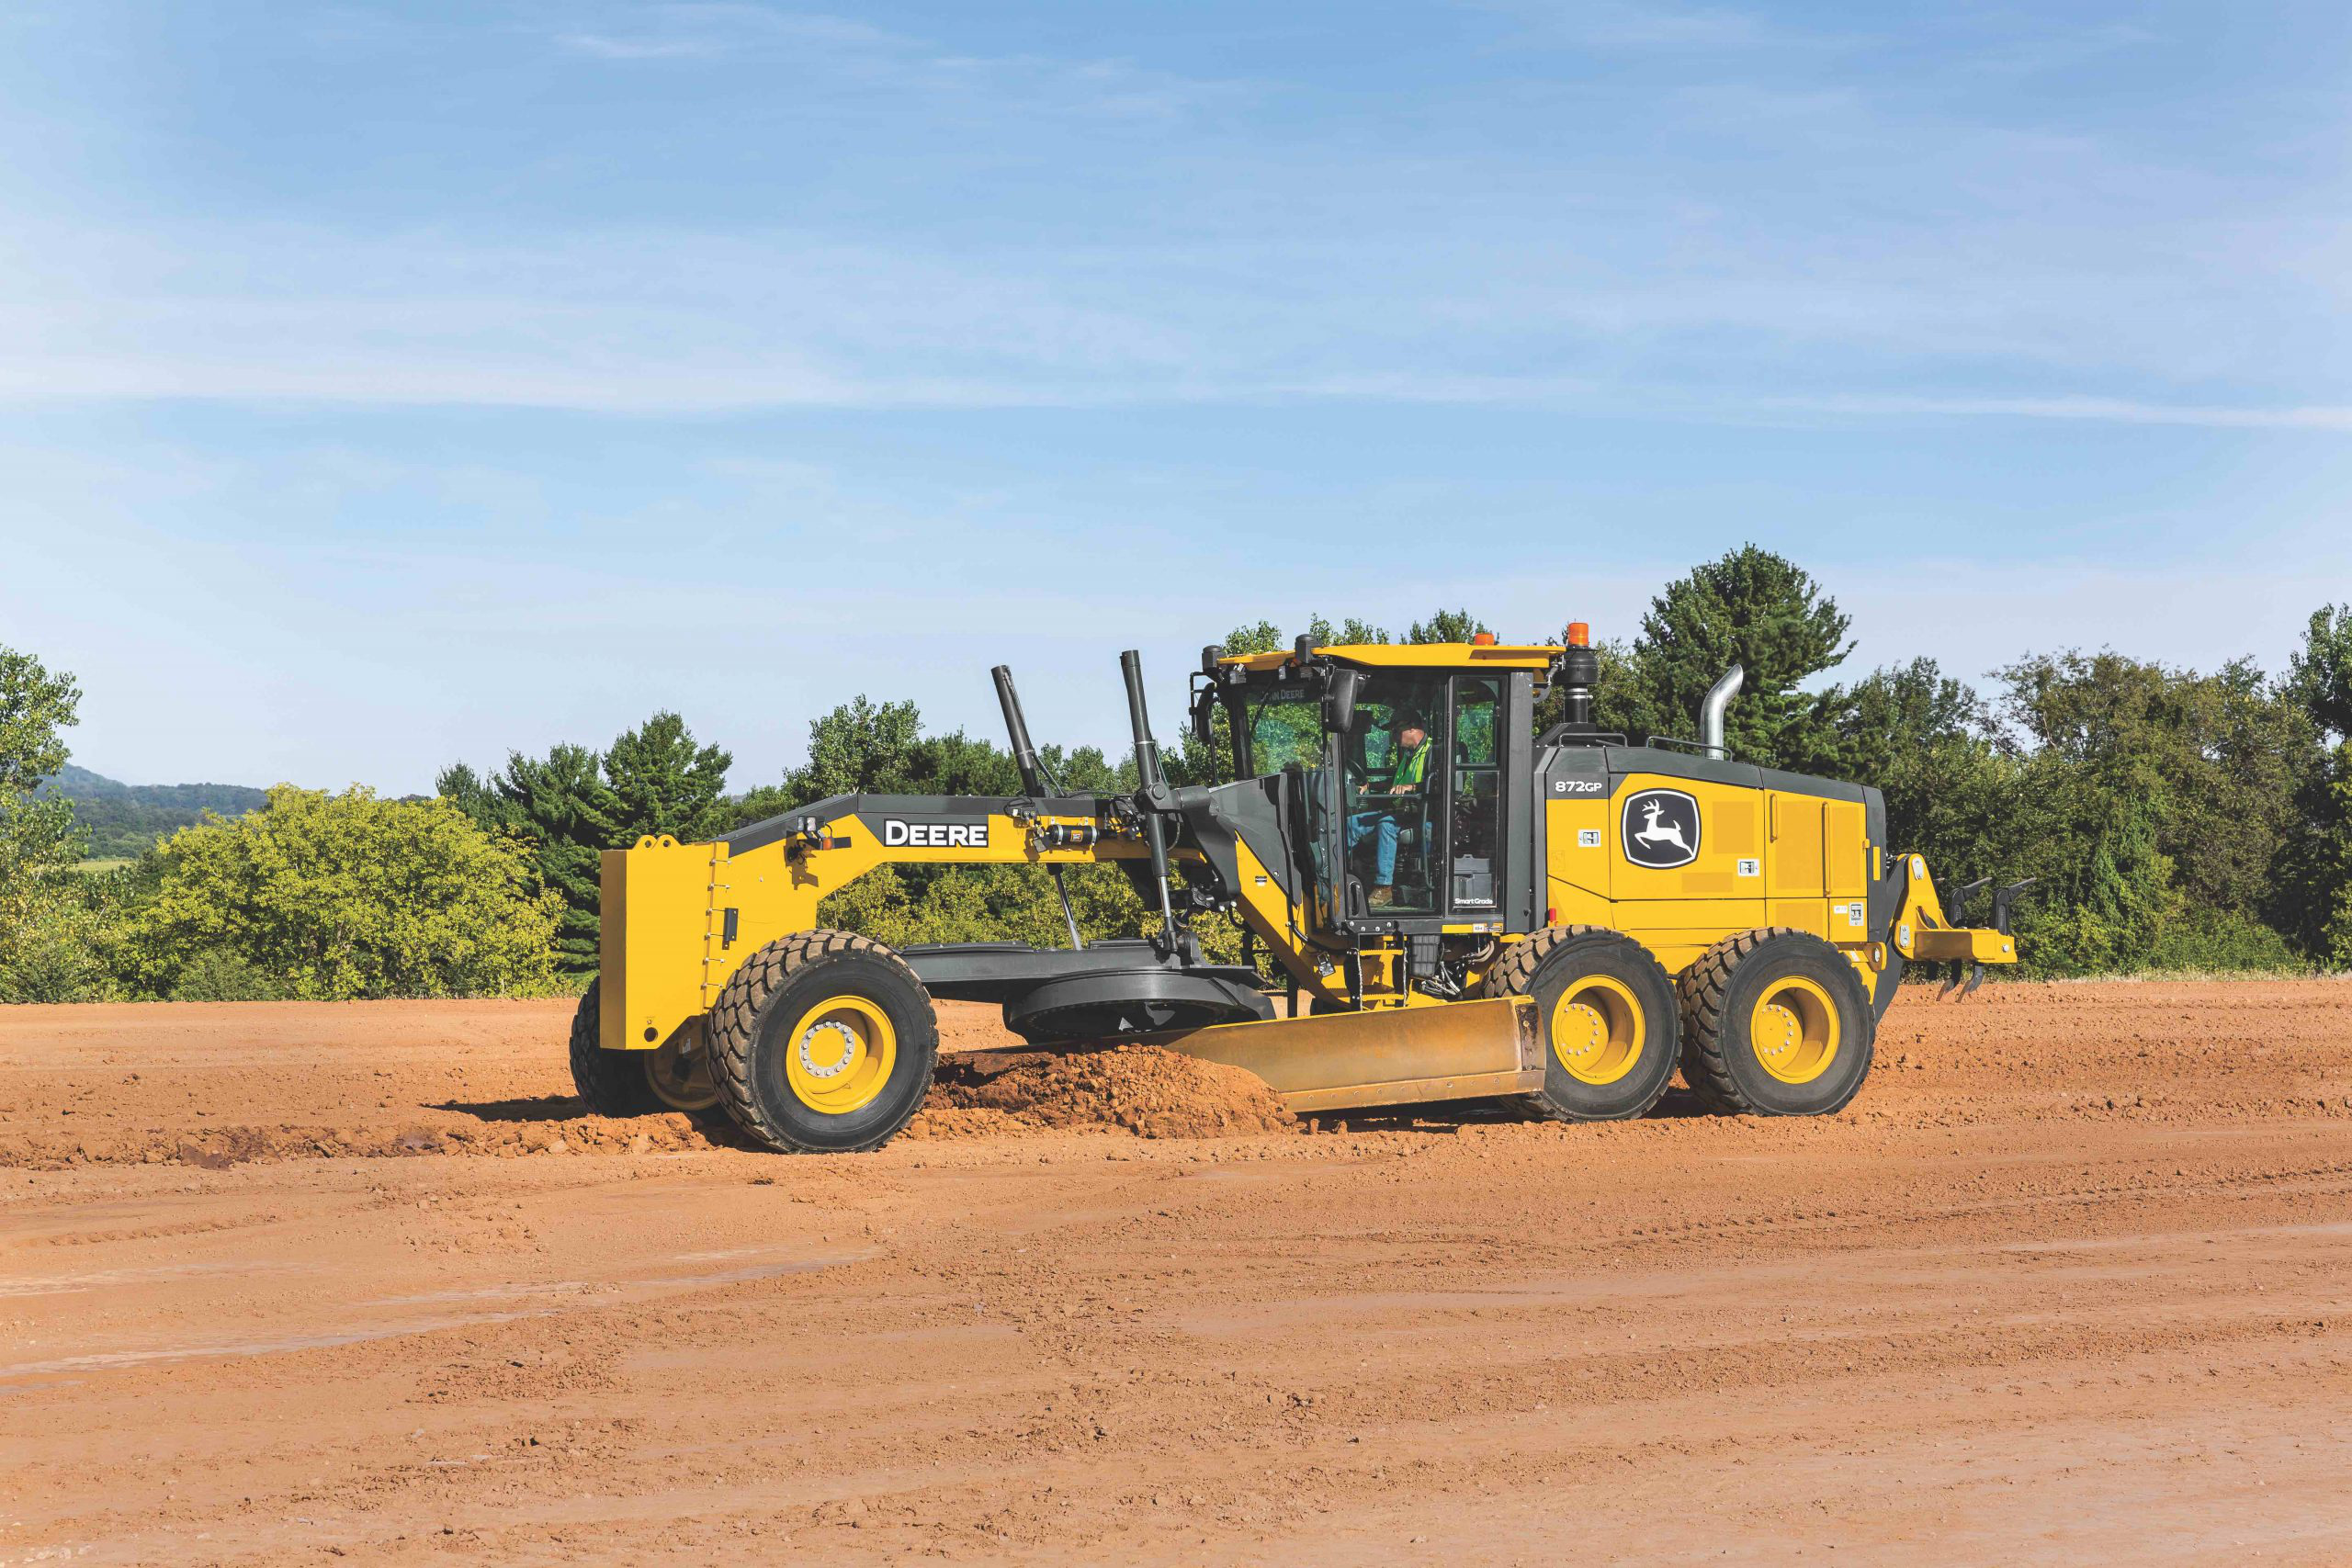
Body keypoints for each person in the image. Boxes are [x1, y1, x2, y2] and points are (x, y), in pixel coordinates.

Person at [1346, 716, 1430, 908]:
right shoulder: (1409, 754)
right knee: (1351, 823)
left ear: (1412, 728)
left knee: (1387, 825)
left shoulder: (1433, 752)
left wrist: (1411, 787)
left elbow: (1439, 784)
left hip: (1424, 816)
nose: (1393, 737)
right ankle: (1342, 876)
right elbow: (1395, 783)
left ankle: (1384, 888)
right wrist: (1370, 785)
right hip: (1402, 813)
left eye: (1395, 731)